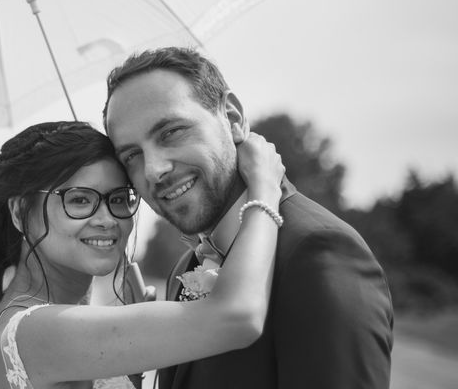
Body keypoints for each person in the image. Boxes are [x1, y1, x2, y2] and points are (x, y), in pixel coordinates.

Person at [103, 47, 394, 389]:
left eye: (171, 132)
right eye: (132, 155)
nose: (154, 170)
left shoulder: (317, 252)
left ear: (233, 118)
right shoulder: (186, 267)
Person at [0, 120, 285, 389]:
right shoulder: (33, 331)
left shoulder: (37, 321)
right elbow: (236, 317)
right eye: (79, 199)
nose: (107, 220)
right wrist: (264, 190)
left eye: (118, 199)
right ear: (19, 213)